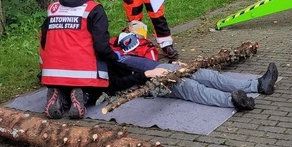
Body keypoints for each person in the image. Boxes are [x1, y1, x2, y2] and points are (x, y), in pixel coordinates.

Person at [39, 0, 152, 120]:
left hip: (52, 72)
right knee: (103, 87)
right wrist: (115, 59)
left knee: (67, 80)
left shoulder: (53, 9)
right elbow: (101, 47)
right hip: (84, 74)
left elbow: (44, 42)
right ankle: (83, 95)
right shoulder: (94, 10)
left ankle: (61, 94)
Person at [110, 31, 279, 111]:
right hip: (151, 80)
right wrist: (146, 76)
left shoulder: (113, 50)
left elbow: (143, 61)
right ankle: (233, 101)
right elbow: (115, 85)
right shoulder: (102, 67)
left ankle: (258, 85)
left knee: (210, 76)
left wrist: (172, 64)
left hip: (162, 68)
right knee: (192, 88)